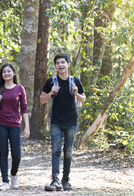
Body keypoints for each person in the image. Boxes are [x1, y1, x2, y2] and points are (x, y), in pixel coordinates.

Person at [40, 53, 86, 191]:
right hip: (56, 121)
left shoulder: (75, 81)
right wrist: (50, 93)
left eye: (63, 62)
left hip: (71, 121)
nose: (60, 65)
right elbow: (42, 99)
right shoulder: (51, 82)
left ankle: (66, 181)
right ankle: (55, 181)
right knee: (56, 150)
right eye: (58, 63)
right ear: (55, 66)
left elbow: (83, 99)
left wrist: (77, 93)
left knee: (68, 152)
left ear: (68, 64)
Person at [0, 63, 30, 191]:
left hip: (15, 125)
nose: (6, 73)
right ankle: (5, 181)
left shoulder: (19, 89)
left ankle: (14, 174)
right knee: (3, 153)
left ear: (14, 73)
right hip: (0, 124)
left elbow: (24, 108)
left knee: (17, 155)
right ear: (2, 75)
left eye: (8, 71)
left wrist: (26, 127)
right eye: (4, 72)